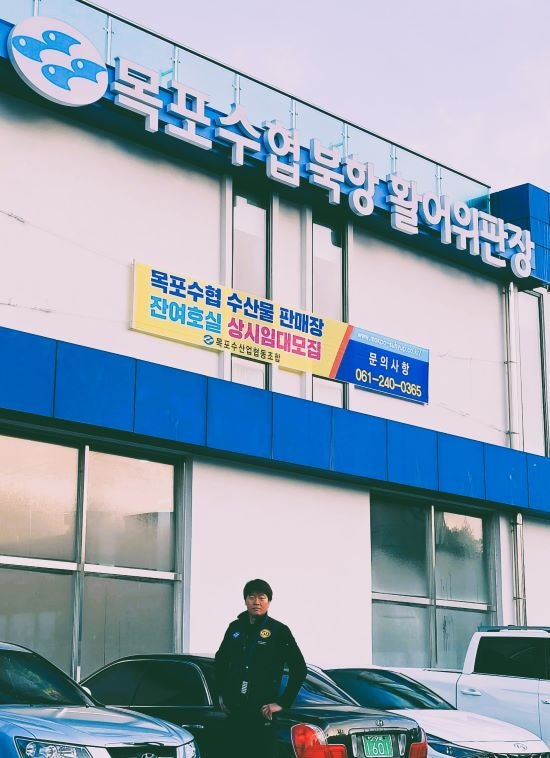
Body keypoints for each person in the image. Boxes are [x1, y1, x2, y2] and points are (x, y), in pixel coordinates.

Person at [214, 578, 307, 758]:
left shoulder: (279, 631)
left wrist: (282, 703)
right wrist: (221, 694)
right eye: (251, 597)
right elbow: (220, 662)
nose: (256, 602)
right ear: (245, 600)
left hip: (262, 713)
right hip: (235, 712)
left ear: (269, 601)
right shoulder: (235, 628)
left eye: (262, 597)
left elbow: (299, 669)